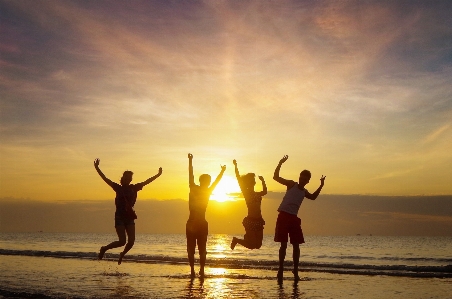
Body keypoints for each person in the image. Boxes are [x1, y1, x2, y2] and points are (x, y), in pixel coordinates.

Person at [94, 158, 162, 265]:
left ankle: (122, 254)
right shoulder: (117, 188)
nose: (127, 179)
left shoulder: (134, 188)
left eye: (129, 178)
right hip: (120, 217)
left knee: (131, 242)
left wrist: (158, 174)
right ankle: (104, 248)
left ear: (131, 179)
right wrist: (97, 167)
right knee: (122, 241)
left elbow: (147, 181)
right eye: (126, 177)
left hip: (129, 217)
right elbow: (105, 178)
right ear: (122, 178)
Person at [273, 155, 325, 282]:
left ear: (307, 181)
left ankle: (295, 271)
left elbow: (313, 197)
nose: (302, 180)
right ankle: (280, 270)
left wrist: (321, 185)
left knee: (296, 245)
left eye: (305, 179)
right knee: (283, 245)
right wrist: (280, 162)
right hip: (283, 216)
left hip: (294, 219)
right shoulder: (291, 184)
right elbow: (275, 177)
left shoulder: (304, 192)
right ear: (299, 177)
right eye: (301, 177)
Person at [187, 153, 226, 278]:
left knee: (201, 247)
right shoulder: (194, 188)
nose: (209, 183)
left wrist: (222, 171)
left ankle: (201, 270)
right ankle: (194, 270)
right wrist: (190, 161)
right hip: (194, 221)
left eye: (209, 181)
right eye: (207, 181)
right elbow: (190, 175)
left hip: (201, 222)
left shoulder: (206, 190)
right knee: (192, 248)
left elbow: (216, 181)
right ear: (202, 181)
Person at [230, 159, 267, 250]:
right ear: (247, 182)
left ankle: (244, 238)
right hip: (250, 220)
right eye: (251, 179)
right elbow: (238, 178)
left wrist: (263, 181)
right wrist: (235, 166)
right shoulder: (246, 193)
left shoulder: (257, 194)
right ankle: (236, 240)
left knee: (258, 245)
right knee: (251, 245)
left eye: (253, 179)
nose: (253, 181)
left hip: (259, 220)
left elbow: (265, 192)